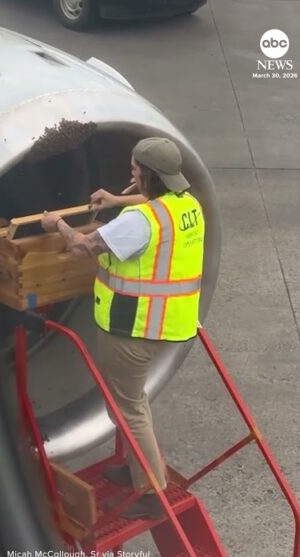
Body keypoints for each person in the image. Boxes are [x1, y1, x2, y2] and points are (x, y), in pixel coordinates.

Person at [41, 137, 206, 519]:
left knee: (128, 409)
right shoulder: (187, 205)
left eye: (134, 168)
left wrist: (57, 224)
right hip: (172, 323)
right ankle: (137, 469)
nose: (130, 172)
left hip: (134, 329)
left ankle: (152, 491)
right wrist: (116, 200)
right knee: (132, 402)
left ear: (147, 174)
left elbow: (83, 247)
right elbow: (155, 206)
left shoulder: (139, 222)